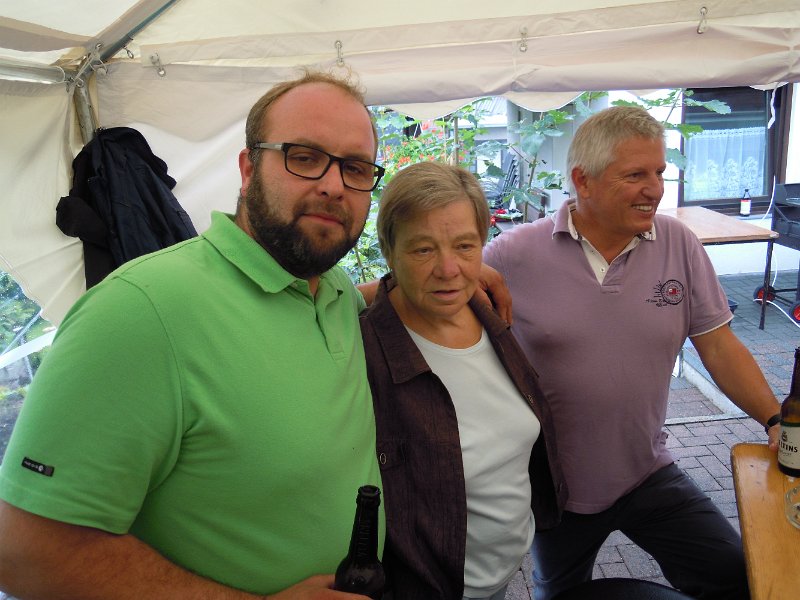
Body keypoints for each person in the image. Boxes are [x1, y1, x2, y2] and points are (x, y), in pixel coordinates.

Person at [0, 70, 388, 599]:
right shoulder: (138, 311)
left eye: (356, 168)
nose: (333, 185)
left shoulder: (332, 291)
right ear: (248, 169)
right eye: (304, 157)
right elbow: (24, 550)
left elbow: (353, 300)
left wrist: (451, 274)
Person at [483, 105, 783, 600]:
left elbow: (719, 345)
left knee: (737, 575)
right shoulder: (513, 254)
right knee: (559, 594)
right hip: (556, 489)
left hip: (646, 471)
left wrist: (775, 420)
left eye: (659, 173)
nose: (655, 189)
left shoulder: (678, 243)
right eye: (635, 175)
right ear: (583, 180)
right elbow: (443, 301)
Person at [360, 162, 567, 600]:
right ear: (389, 252)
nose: (449, 268)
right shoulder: (363, 351)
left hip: (503, 572)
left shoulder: (484, 311)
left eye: (465, 245)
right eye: (423, 249)